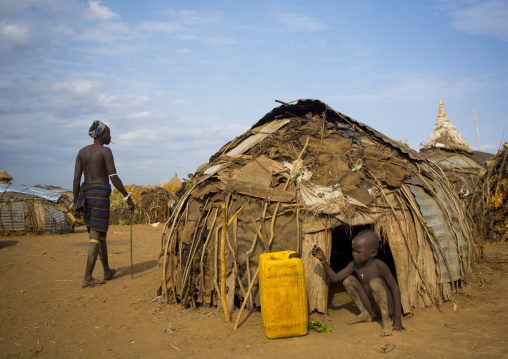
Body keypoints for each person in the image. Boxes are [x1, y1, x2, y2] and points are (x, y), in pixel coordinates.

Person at [73, 120, 134, 288]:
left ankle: (106, 270)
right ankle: (88, 277)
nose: (110, 136)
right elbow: (113, 177)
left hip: (85, 194)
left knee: (100, 234)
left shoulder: (82, 153)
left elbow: (77, 179)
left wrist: (74, 202)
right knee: (95, 235)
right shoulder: (105, 151)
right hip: (99, 194)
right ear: (101, 135)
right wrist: (126, 196)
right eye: (108, 133)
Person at [311, 229, 404, 336]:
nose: (354, 254)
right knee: (348, 280)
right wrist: (322, 259)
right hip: (372, 307)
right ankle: (366, 313)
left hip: (387, 308)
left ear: (372, 253)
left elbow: (395, 288)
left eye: (358, 252)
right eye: (353, 250)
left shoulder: (379, 265)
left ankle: (386, 320)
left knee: (375, 282)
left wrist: (397, 319)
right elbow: (335, 278)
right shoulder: (354, 265)